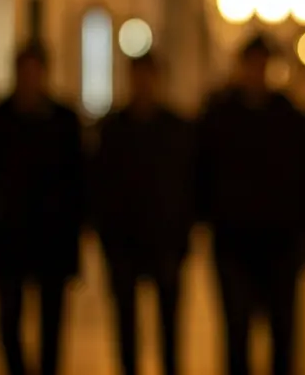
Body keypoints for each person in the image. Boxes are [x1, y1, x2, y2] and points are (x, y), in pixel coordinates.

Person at [196, 35, 305, 375]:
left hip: (281, 243)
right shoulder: (221, 117)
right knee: (236, 333)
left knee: (283, 334)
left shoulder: (291, 120)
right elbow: (201, 173)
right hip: (234, 242)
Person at [0, 43, 84, 375]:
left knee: (51, 323)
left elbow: (76, 180)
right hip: (9, 237)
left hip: (51, 238)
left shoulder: (63, 122)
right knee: (8, 320)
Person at [93, 54, 195, 375]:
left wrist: (181, 233)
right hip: (124, 243)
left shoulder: (176, 129)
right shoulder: (114, 130)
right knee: (126, 325)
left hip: (165, 241)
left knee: (169, 327)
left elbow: (190, 184)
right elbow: (99, 186)